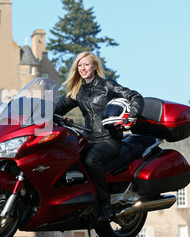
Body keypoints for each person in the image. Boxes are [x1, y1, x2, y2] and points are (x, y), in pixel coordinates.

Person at [54, 52, 144, 222]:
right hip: (89, 139)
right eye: (80, 66)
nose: (83, 68)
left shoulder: (107, 85)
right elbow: (60, 107)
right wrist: (40, 114)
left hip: (109, 140)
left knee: (90, 160)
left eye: (86, 65)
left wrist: (133, 114)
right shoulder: (78, 91)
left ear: (95, 66)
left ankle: (105, 204)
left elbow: (134, 96)